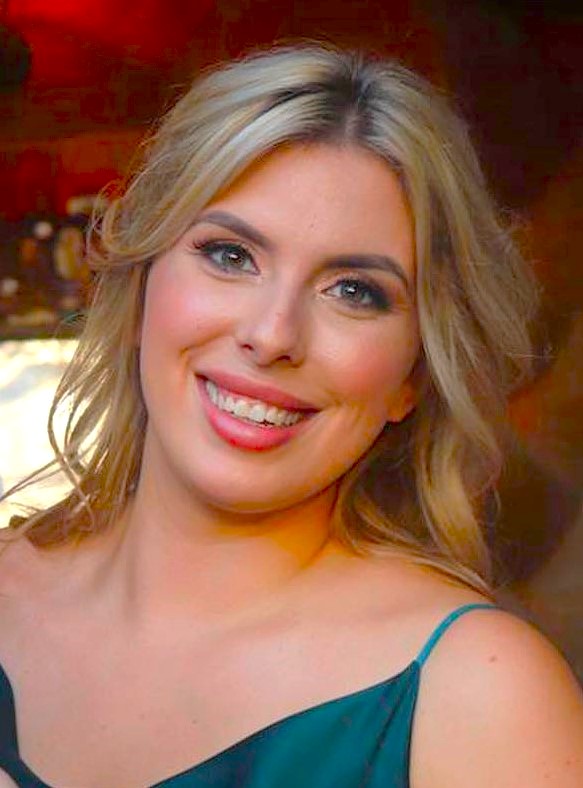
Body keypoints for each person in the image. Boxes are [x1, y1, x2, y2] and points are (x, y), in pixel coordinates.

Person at [0, 43, 582, 788]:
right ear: (140, 283)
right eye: (230, 255)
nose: (272, 335)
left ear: (412, 375)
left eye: (354, 292)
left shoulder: (482, 695)